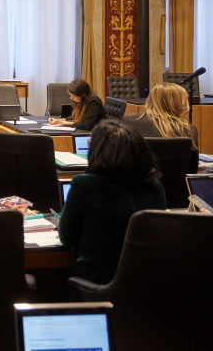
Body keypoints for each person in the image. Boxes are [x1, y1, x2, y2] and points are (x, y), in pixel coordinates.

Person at [58, 120, 166, 285]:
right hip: (146, 283)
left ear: (98, 152)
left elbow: (67, 238)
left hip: (95, 283)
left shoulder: (84, 184)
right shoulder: (155, 185)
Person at [122, 81, 198, 144]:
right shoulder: (188, 130)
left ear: (150, 100)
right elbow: (193, 157)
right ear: (177, 104)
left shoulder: (127, 122)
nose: (183, 107)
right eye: (183, 104)